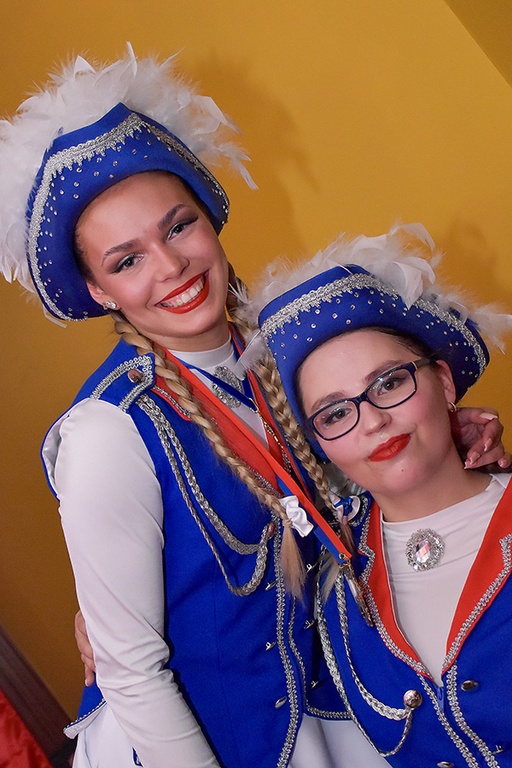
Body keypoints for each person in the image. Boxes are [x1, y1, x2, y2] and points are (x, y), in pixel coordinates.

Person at [0, 48, 506, 768]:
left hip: (327, 713)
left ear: (209, 218)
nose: (171, 266)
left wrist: (448, 442)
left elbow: (358, 469)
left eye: (178, 226)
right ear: (100, 292)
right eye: (126, 260)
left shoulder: (284, 356)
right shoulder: (109, 433)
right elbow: (132, 673)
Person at [248, 223, 512, 766]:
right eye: (335, 413)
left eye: (389, 383)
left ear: (443, 382)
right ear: (320, 444)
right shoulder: (328, 586)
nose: (372, 421)